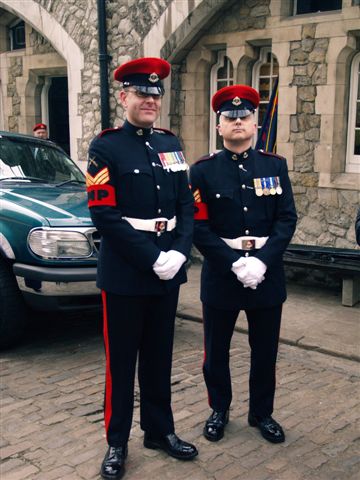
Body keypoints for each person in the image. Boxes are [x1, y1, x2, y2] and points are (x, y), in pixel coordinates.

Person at [87, 57, 197, 480]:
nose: (150, 100)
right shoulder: (106, 147)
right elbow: (104, 215)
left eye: (155, 94)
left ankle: (159, 431)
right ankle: (117, 443)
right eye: (142, 93)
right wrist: (152, 257)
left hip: (168, 268)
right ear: (124, 97)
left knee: (159, 357)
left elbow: (187, 205)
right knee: (121, 364)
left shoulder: (171, 144)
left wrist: (179, 253)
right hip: (126, 273)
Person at [189, 85, 297, 445]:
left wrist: (262, 263)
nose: (238, 122)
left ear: (255, 124)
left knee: (264, 351)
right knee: (215, 351)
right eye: (230, 117)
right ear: (219, 126)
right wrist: (235, 264)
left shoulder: (274, 165)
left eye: (244, 116)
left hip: (266, 275)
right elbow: (198, 227)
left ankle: (261, 413)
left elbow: (286, 220)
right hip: (222, 274)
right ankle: (219, 409)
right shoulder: (202, 171)